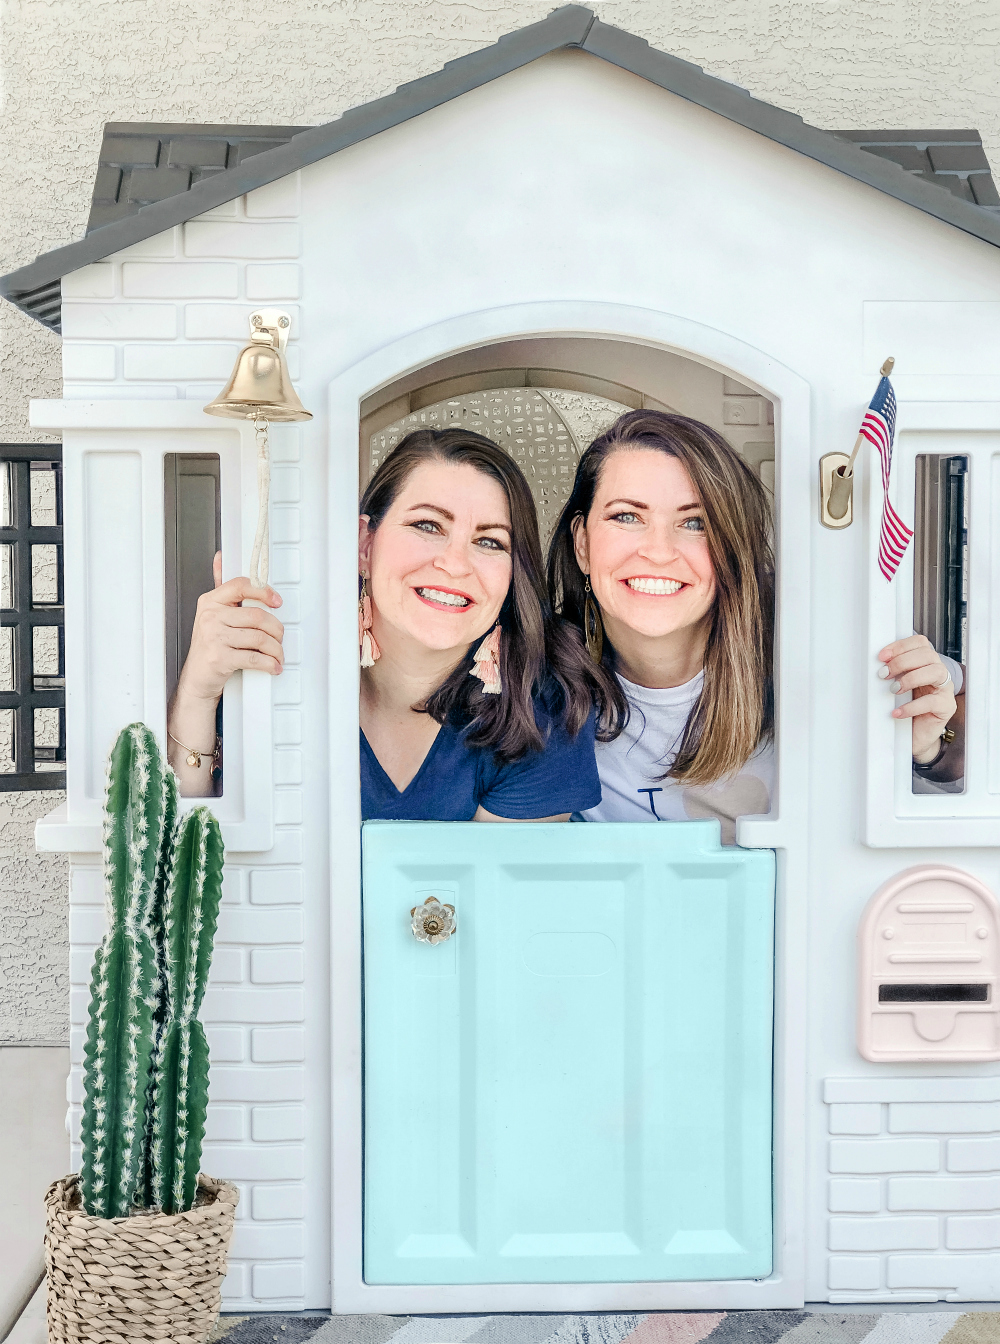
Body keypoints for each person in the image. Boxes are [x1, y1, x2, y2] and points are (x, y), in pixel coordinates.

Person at [547, 409, 964, 841]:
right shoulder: (539, 673)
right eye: (626, 517)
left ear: (732, 547)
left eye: (695, 523)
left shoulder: (809, 637)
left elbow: (961, 714)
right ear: (582, 543)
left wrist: (925, 749)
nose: (658, 551)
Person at [168, 427, 602, 821]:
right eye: (428, 525)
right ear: (364, 545)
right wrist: (199, 690)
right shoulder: (277, 649)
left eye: (489, 541)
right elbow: (184, 852)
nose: (454, 564)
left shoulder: (544, 707)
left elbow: (486, 896)